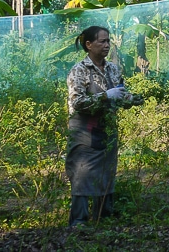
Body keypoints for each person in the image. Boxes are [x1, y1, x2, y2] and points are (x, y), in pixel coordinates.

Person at [65, 26, 142, 226]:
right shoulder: (79, 70)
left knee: (107, 170)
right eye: (102, 41)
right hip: (84, 129)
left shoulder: (113, 69)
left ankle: (104, 217)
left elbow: (120, 95)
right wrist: (105, 96)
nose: (107, 45)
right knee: (82, 172)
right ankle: (79, 221)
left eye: (108, 41)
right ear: (89, 45)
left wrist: (132, 99)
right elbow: (77, 102)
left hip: (106, 126)